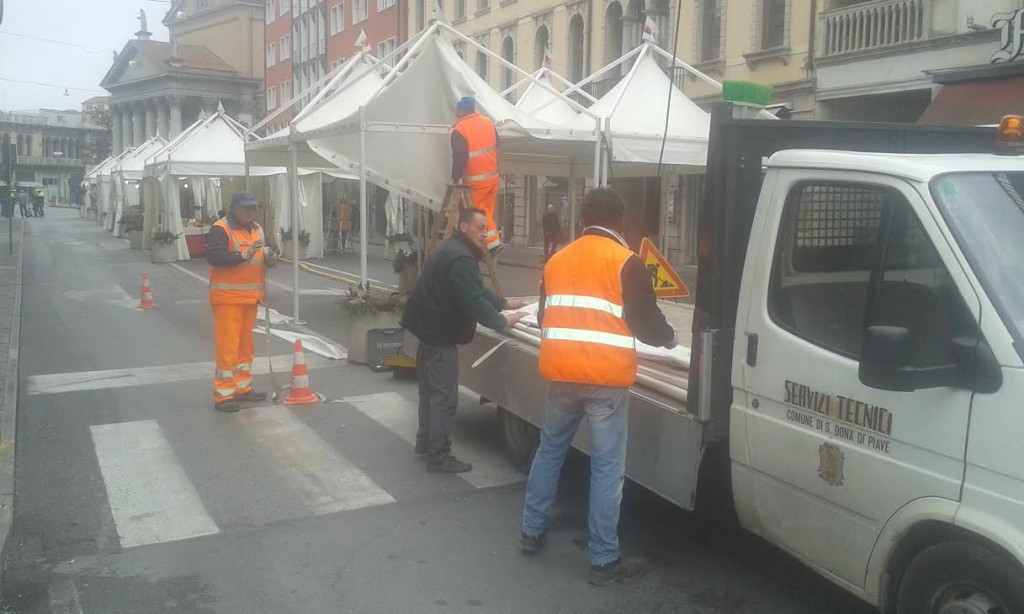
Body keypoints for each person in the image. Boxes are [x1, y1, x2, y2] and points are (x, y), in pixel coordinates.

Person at [519, 188, 677, 586]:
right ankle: (604, 560)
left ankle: (530, 530)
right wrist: (672, 340)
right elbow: (646, 325)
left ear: (583, 218)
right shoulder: (626, 262)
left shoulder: (557, 259)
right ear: (620, 221)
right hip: (605, 381)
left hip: (561, 374)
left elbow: (543, 316)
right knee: (606, 468)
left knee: (550, 451)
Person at [400, 207, 528, 473]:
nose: (485, 233)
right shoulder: (461, 258)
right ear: (464, 227)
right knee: (444, 397)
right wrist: (503, 321)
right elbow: (472, 301)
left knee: (430, 393)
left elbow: (475, 290)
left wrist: (503, 303)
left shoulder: (454, 249)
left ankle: (425, 443)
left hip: (426, 329)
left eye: (487, 228)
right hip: (438, 334)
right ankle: (439, 456)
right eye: (480, 228)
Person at [206, 192, 278, 413]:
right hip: (228, 299)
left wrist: (269, 257)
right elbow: (214, 257)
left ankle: (242, 387)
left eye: (253, 208)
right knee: (228, 348)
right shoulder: (220, 228)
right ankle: (223, 394)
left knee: (245, 348)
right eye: (246, 208)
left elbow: (263, 254)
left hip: (250, 298)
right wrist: (243, 257)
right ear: (234, 208)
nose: (250, 212)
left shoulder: (257, 229)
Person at [451, 96, 503, 256]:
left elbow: (460, 155)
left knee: (475, 217)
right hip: (492, 178)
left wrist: (455, 177)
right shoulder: (488, 122)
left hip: (476, 182)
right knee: (486, 212)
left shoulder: (459, 129)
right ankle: (492, 244)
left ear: (460, 110)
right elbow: (497, 143)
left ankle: (489, 245)